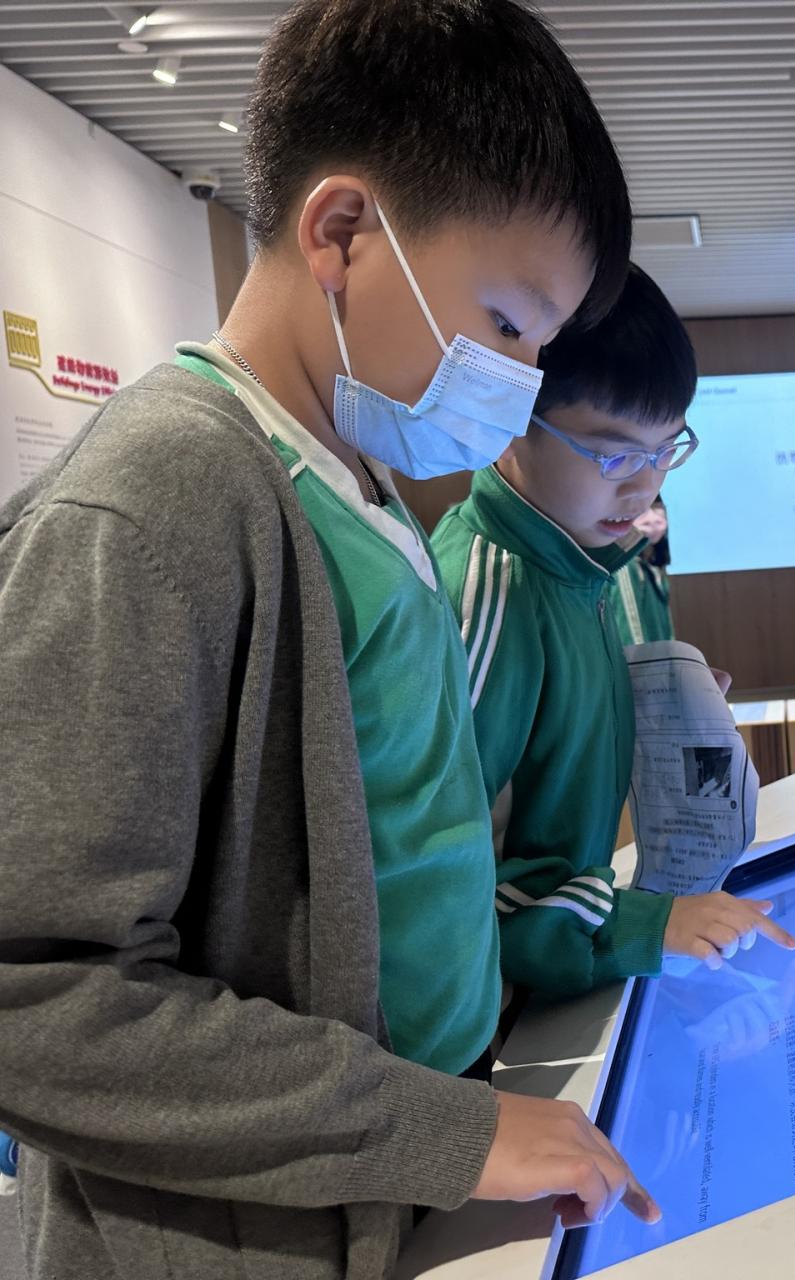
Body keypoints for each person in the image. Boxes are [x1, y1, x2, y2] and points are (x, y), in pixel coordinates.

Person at [0, 3, 658, 1277]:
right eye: (508, 321)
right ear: (344, 232)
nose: (521, 375)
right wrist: (432, 1130)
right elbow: (32, 987)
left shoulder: (354, 479)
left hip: (393, 1181)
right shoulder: (154, 501)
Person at [433, 264, 795, 997]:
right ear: (511, 422)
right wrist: (637, 926)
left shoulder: (582, 563)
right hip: (492, 1007)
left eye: (667, 451)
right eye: (615, 454)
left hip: (548, 975)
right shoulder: (487, 590)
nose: (644, 486)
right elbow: (441, 881)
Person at [610, 495, 676, 646]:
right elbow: (631, 633)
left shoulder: (654, 569)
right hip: (643, 658)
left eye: (656, 506)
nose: (652, 519)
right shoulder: (625, 567)